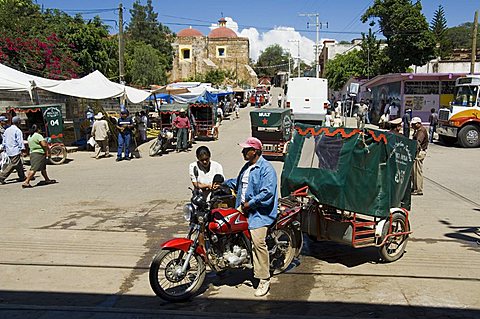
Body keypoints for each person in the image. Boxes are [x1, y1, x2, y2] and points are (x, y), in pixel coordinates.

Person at [224, 137, 278, 297]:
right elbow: (239, 183)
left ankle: (264, 279)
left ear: (254, 151)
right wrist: (223, 183)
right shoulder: (247, 167)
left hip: (260, 213)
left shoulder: (266, 169)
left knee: (258, 243)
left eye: (246, 149)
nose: (243, 152)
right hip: (242, 208)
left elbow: (267, 193)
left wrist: (250, 204)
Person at [22, 124, 56, 188]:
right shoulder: (38, 136)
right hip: (38, 154)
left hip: (32, 153)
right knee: (33, 169)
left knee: (43, 168)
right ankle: (26, 181)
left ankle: (47, 179)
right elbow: (44, 144)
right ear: (37, 129)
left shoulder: (30, 136)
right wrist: (48, 151)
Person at [0, 116, 26, 184]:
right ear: (18, 122)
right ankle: (2, 177)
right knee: (13, 164)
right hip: (15, 150)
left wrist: (4, 147)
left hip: (9, 150)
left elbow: (4, 141)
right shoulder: (18, 130)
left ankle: (22, 176)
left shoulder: (7, 130)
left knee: (19, 164)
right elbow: (20, 141)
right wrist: (22, 149)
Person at [411, 117, 429, 196]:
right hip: (418, 152)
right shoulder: (418, 130)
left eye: (414, 124)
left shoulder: (421, 131)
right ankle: (415, 187)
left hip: (420, 152)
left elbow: (418, 142)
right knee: (414, 171)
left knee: (417, 171)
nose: (413, 126)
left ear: (418, 124)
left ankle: (418, 189)